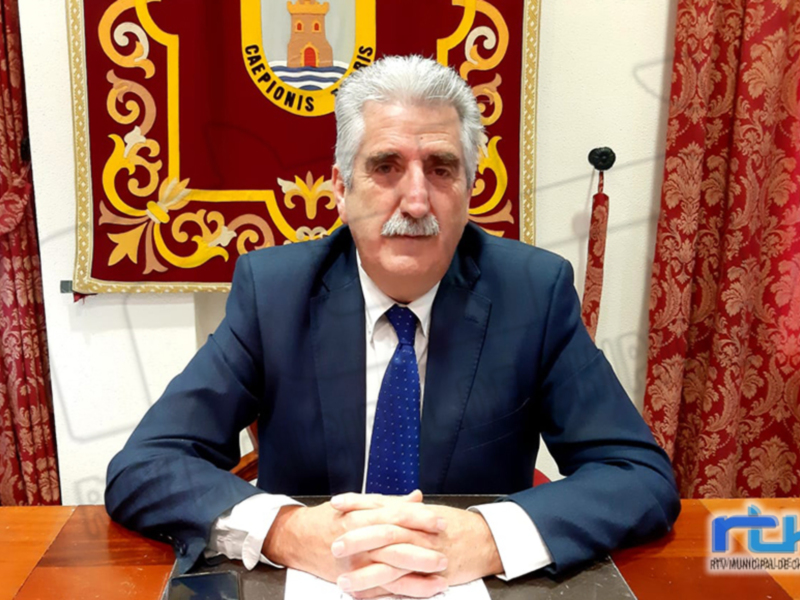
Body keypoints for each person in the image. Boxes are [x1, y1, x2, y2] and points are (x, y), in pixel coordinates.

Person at [105, 55, 680, 599]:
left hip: (467, 585)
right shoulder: (274, 292)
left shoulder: (532, 292)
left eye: (441, 168)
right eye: (385, 167)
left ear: (469, 188)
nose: (415, 199)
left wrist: (484, 538)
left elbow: (637, 474)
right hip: (316, 584)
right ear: (340, 188)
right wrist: (287, 529)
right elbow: (144, 466)